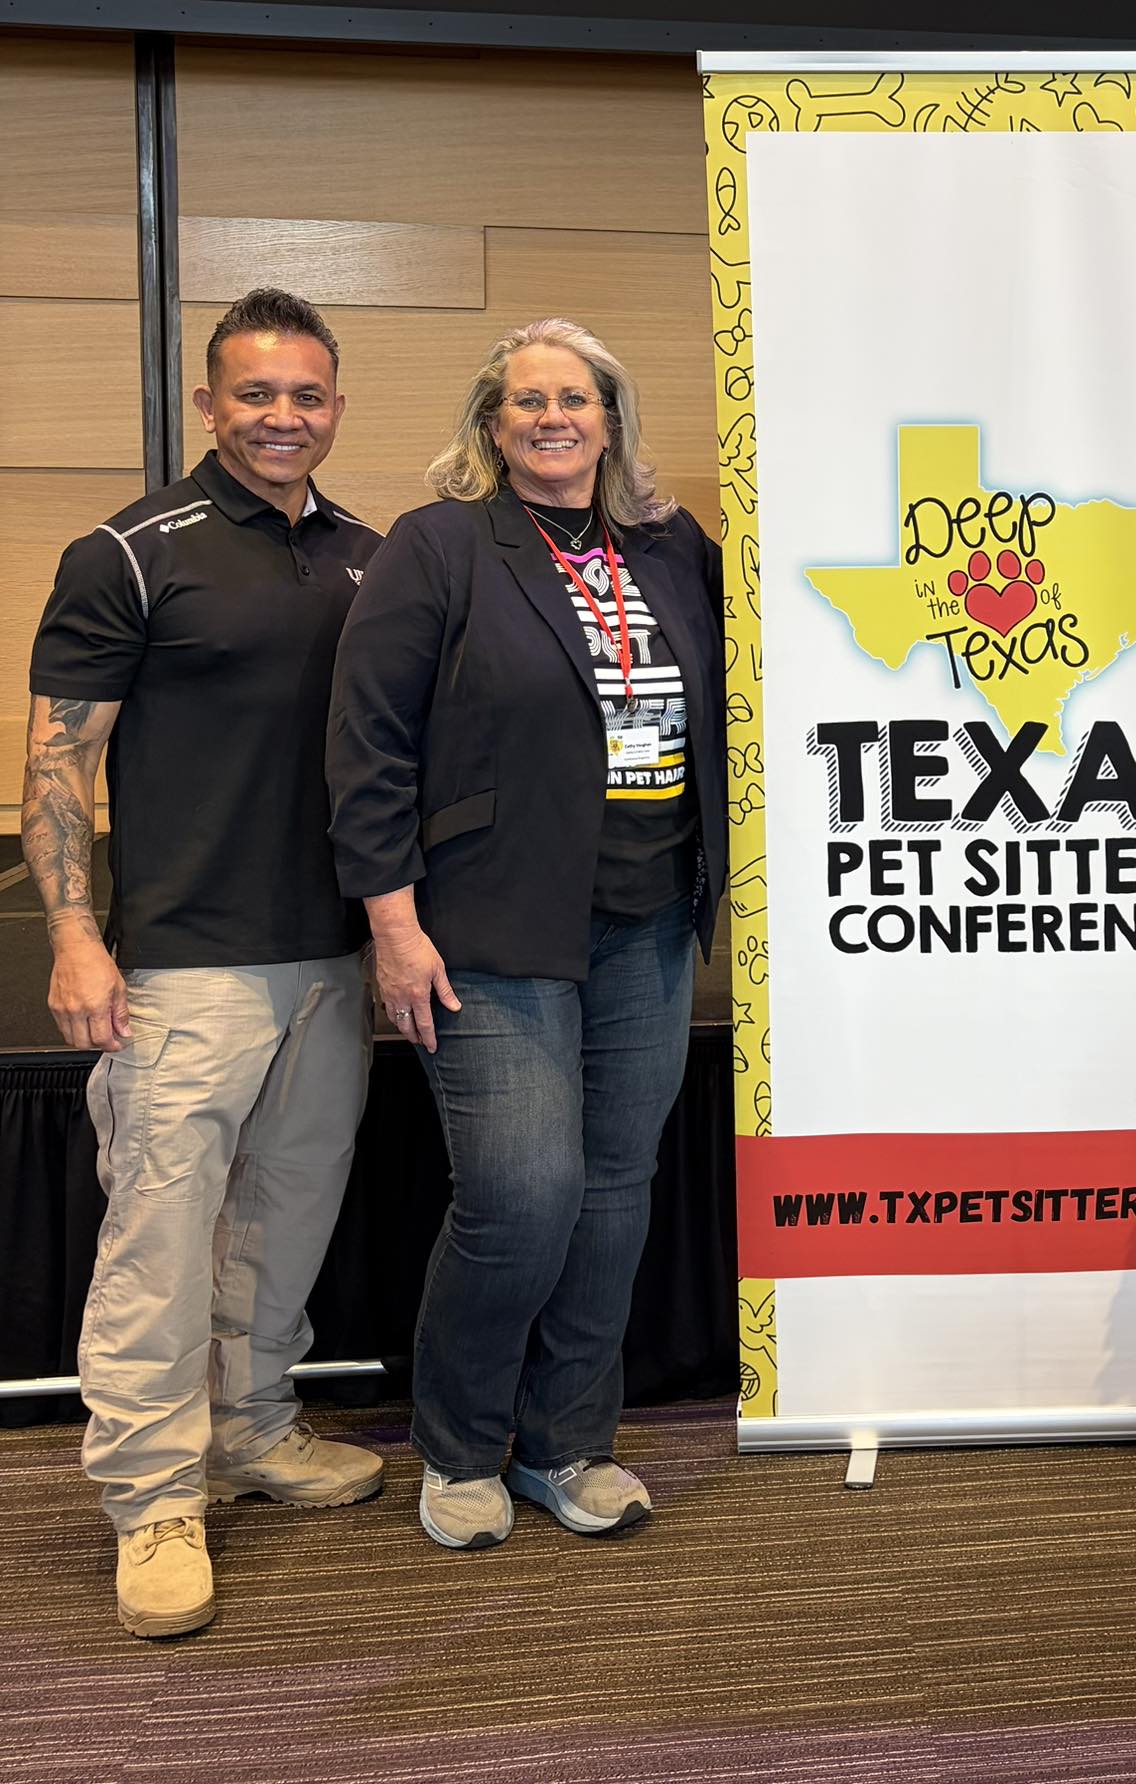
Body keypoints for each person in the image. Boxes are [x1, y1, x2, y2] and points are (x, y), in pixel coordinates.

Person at [327, 318, 726, 1551]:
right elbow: (368, 743)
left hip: (651, 917)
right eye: (524, 402)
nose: (552, 417)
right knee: (521, 1193)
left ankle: (568, 1442)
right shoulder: (439, 546)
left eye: (575, 398)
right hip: (489, 926)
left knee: (613, 1194)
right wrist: (393, 924)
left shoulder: (670, 548)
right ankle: (458, 1445)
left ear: (611, 418)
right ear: (491, 427)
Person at [24, 289, 383, 1639]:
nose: (283, 417)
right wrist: (74, 935)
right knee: (159, 1247)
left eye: (308, 395)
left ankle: (256, 1431)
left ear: (335, 405)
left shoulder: (371, 553)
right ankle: (152, 1497)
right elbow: (58, 759)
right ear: (209, 403)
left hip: (334, 956)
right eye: (257, 394)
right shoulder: (128, 552)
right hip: (184, 969)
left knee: (284, 1227)